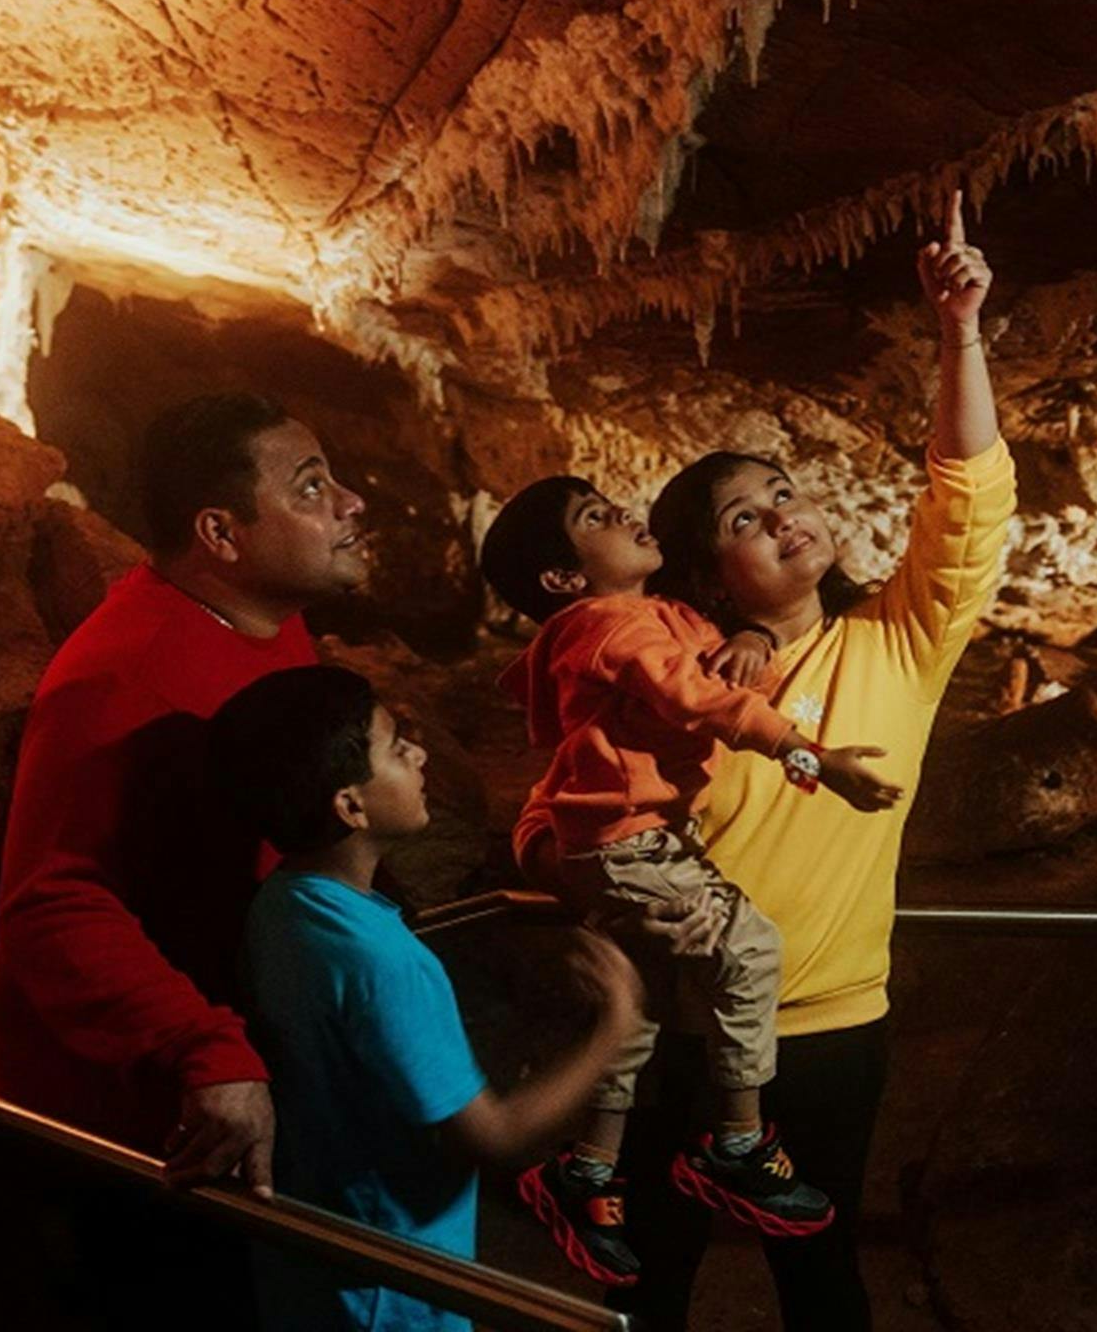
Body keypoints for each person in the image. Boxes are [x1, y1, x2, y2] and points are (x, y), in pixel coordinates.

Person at [512, 192, 1016, 1331]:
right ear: (708, 574)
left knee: (820, 1281)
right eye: (744, 519)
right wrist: (560, 872)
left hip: (832, 1026)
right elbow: (560, 811)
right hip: (680, 1029)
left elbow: (969, 510)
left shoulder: (896, 640)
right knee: (646, 1279)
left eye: (781, 492)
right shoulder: (667, 677)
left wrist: (958, 334)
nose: (782, 516)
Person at [477, 478, 903, 1286]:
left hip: (636, 840)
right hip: (626, 844)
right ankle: (736, 1143)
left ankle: (588, 1168)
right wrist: (812, 758)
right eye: (596, 519)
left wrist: (750, 638)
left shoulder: (656, 616)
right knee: (748, 948)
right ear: (567, 579)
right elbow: (705, 703)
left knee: (636, 1008)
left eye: (612, 502)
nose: (624, 515)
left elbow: (711, 658)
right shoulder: (604, 627)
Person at [0, 391, 367, 1192]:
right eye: (309, 488)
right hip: (131, 1116)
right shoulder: (125, 679)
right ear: (220, 533)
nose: (350, 503)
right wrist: (205, 1050)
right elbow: (53, 903)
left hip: (244, 1039)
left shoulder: (267, 622)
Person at [214, 665, 643, 1332]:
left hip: (313, 1273)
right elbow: (492, 1136)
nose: (418, 754)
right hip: (396, 1294)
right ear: (349, 806)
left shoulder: (282, 906)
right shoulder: (384, 963)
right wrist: (614, 1023)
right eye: (393, 746)